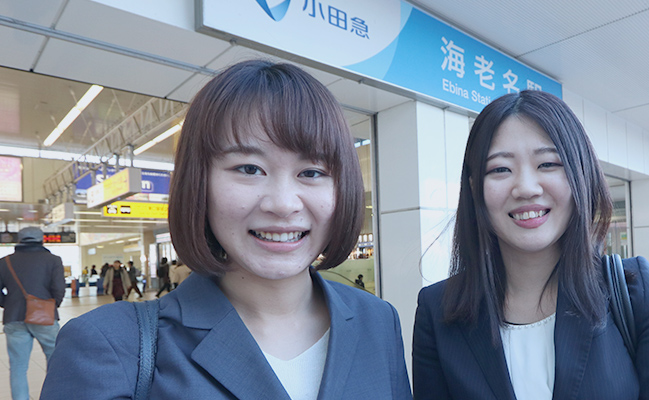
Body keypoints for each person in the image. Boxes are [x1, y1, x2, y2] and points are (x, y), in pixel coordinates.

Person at [42, 60, 411, 399]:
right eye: (249, 169)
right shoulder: (110, 345)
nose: (283, 204)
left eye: (311, 172)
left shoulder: (377, 320)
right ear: (198, 182)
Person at [412, 91, 649, 399]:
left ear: (581, 174)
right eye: (500, 169)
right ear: (474, 187)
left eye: (548, 164)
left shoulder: (639, 293)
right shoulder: (438, 312)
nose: (526, 188)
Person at [0, 227, 64, 400]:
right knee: (55, 362)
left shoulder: (5, 262)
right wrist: (50, 306)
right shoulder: (53, 260)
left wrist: (8, 304)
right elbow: (59, 289)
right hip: (45, 317)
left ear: (20, 240)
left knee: (18, 367)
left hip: (14, 318)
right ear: (41, 240)